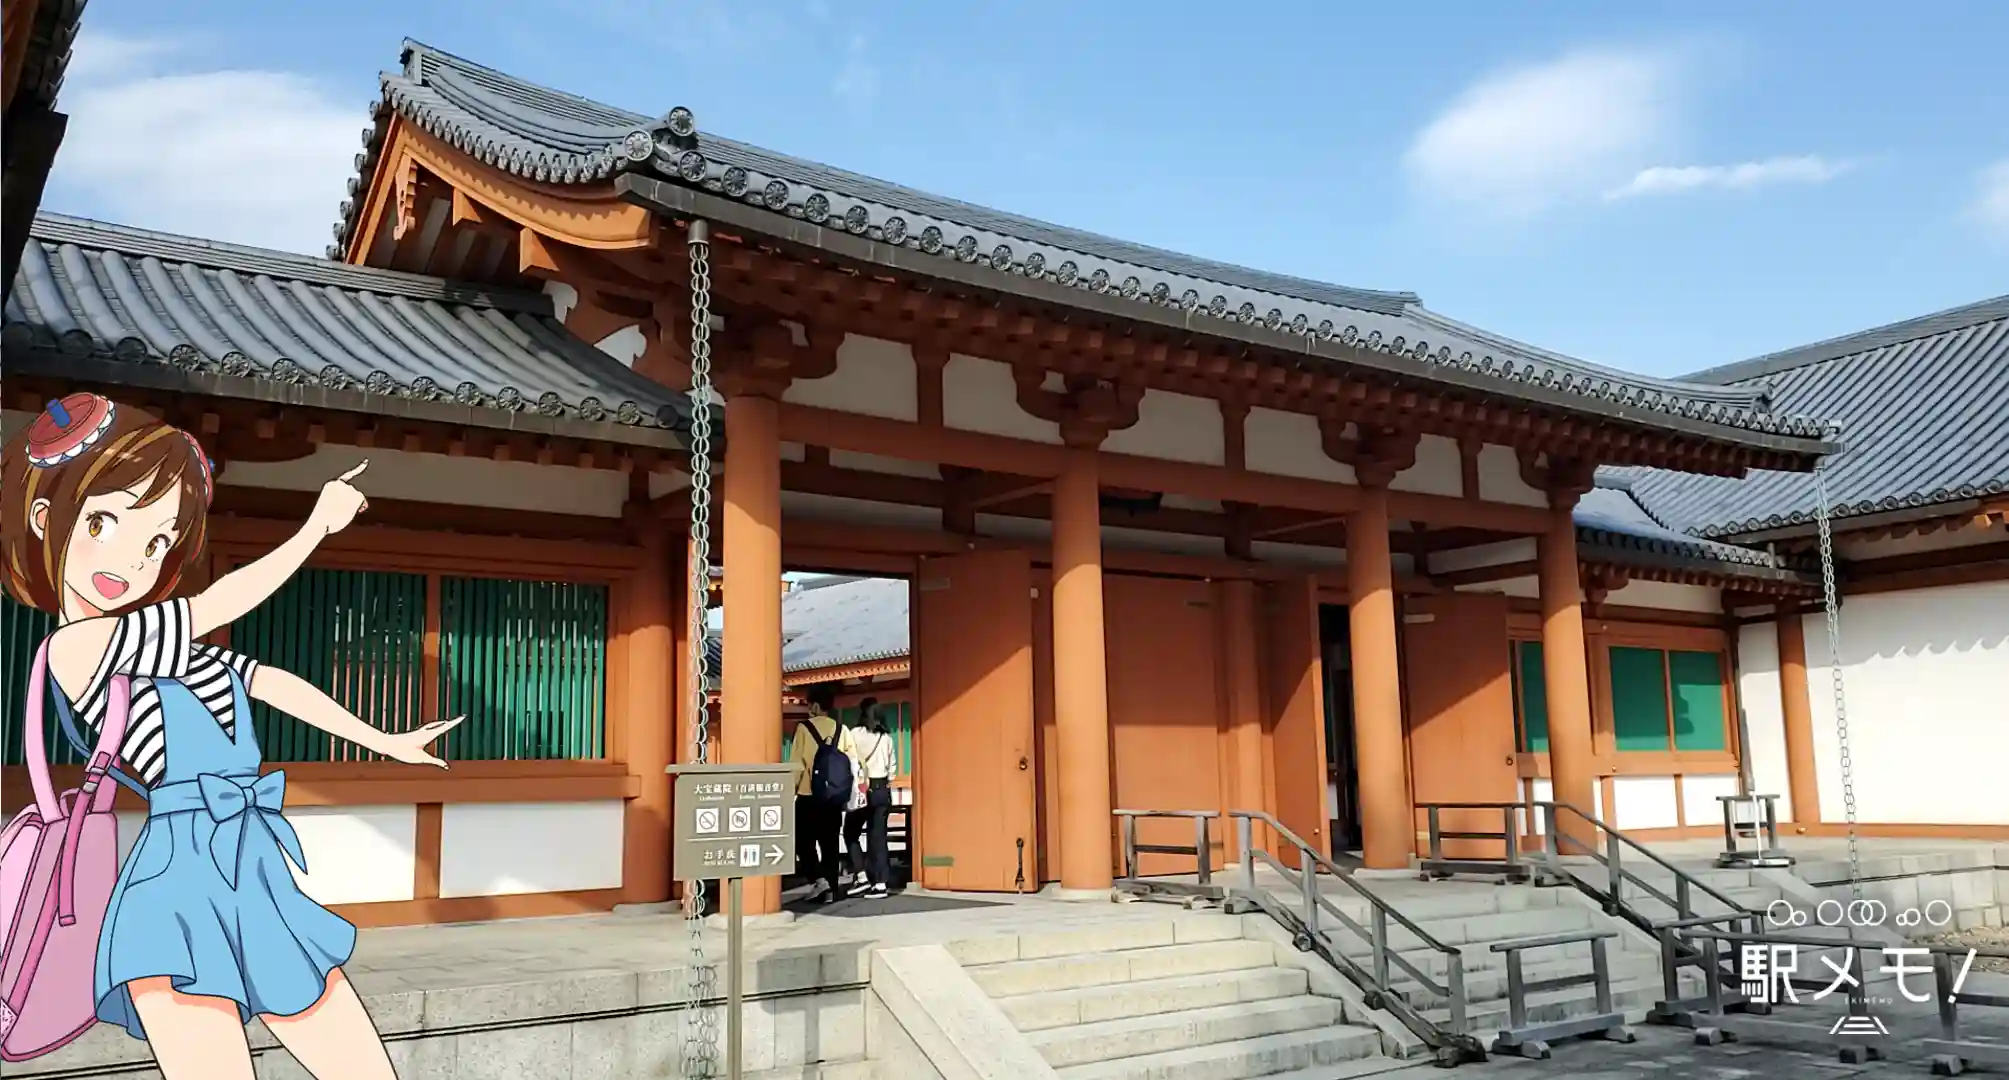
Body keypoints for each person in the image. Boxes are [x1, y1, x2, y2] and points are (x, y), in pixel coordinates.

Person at [1, 393, 462, 1080]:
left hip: (254, 869)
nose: (130, 562)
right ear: (46, 521)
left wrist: (382, 739)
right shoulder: (79, 645)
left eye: (156, 543)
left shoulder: (167, 649)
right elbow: (217, 604)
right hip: (175, 881)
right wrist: (315, 528)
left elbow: (266, 680)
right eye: (104, 522)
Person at [787, 686, 856, 903]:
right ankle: (831, 889)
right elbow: (853, 763)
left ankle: (818, 879)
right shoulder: (842, 729)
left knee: (802, 841)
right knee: (830, 844)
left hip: (808, 795)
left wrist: (790, 790)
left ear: (815, 705)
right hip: (834, 797)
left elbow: (797, 763)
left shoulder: (804, 728)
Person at [842, 699, 897, 898]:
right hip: (882, 788)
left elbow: (848, 760)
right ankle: (880, 883)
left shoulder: (854, 734)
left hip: (862, 788)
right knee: (878, 837)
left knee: (850, 832)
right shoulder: (886, 738)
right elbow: (892, 770)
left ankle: (861, 875)